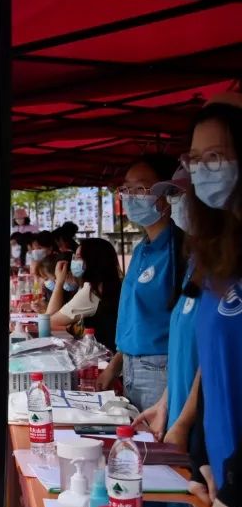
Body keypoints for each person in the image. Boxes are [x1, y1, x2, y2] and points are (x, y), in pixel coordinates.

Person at [181, 101, 242, 507]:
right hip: (221, 480)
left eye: (216, 157)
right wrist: (201, 454)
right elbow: (213, 362)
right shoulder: (215, 255)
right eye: (196, 160)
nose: (204, 170)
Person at [97, 154, 185, 410]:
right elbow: (133, 321)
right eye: (127, 188)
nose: (132, 196)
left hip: (162, 370)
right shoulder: (140, 250)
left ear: (167, 193)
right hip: (132, 367)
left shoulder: (180, 251)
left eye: (142, 188)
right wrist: (116, 365)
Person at [133, 167, 201, 446]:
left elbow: (212, 359)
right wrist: (166, 402)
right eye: (173, 194)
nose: (175, 202)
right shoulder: (197, 263)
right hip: (177, 413)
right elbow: (185, 347)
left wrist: (184, 422)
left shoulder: (185, 254)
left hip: (201, 427)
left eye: (183, 194)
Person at [47, 238, 122, 352]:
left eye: (78, 257)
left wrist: (59, 282)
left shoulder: (91, 291)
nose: (74, 261)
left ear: (92, 261)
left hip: (101, 357)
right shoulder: (114, 284)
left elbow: (48, 321)